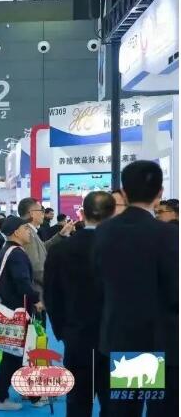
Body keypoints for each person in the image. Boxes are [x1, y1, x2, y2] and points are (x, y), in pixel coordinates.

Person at [95, 161, 178, 417]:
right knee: (161, 410)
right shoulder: (168, 235)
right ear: (159, 192)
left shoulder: (104, 232)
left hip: (123, 336)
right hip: (162, 338)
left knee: (125, 410)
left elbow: (98, 282)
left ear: (124, 192)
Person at [44, 191, 115, 417]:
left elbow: (51, 296)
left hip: (77, 337)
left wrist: (64, 332)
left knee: (78, 401)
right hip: (125, 339)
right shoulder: (131, 247)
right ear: (114, 213)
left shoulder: (60, 250)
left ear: (82, 213)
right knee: (123, 406)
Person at [0, 216, 44, 411]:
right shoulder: (17, 254)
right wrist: (36, 299)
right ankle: (0, 396)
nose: (29, 231)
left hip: (10, 310)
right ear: (16, 232)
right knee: (17, 354)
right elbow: (23, 282)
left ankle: (26, 394)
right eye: (25, 228)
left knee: (15, 354)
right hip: (18, 311)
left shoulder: (5, 251)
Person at [17, 197, 74, 327]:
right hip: (35, 295)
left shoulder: (31, 231)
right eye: (41, 211)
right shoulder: (27, 232)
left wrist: (60, 235)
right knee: (36, 334)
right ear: (31, 213)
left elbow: (42, 248)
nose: (44, 214)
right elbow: (36, 267)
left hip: (36, 293)